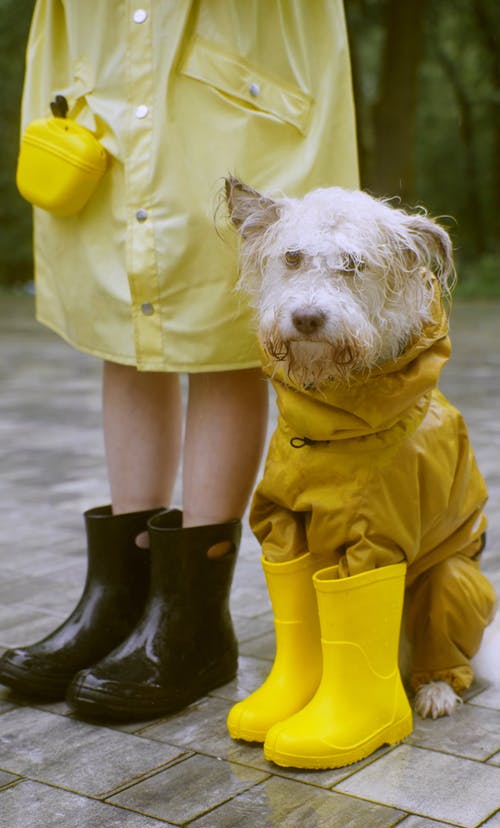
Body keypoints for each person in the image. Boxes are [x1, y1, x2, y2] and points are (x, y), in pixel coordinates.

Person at [0, 0, 359, 721]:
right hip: (103, 53)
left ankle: (192, 623)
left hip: (230, 52)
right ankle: (123, 602)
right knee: (124, 321)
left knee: (220, 324)